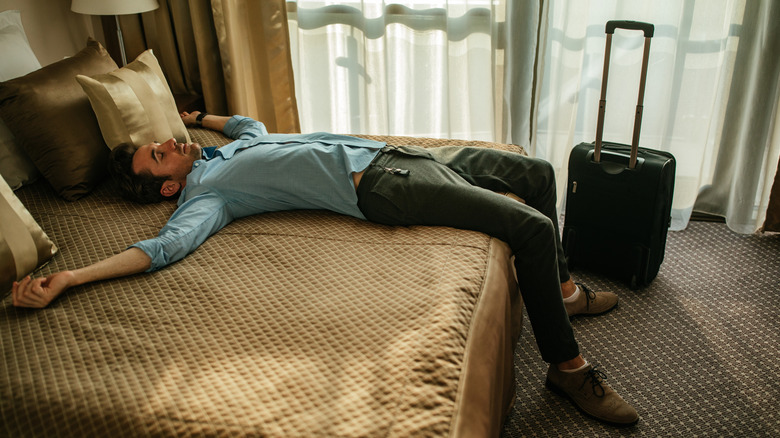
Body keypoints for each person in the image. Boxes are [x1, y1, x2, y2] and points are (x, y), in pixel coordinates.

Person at [12, 111, 639, 425]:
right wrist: (70, 277)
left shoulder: (232, 145)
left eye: (165, 139)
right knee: (527, 224)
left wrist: (198, 116)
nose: (170, 143)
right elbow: (163, 249)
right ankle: (568, 368)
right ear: (170, 190)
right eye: (159, 155)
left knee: (538, 173)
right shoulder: (209, 196)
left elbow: (251, 124)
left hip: (394, 153)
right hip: (381, 187)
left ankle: (561, 288)